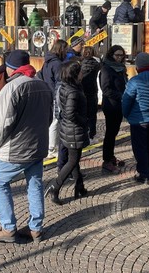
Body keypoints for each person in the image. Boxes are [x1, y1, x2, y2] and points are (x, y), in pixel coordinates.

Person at [0, 50, 53, 243]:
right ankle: (36, 228)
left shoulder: (11, 88)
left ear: (11, 68)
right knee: (35, 184)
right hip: (38, 146)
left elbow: (2, 123)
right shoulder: (43, 86)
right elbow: (49, 118)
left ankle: (8, 227)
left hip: (15, 149)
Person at [45, 60, 89, 205]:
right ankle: (55, 186)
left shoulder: (67, 86)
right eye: (81, 70)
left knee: (74, 159)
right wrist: (84, 121)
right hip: (73, 130)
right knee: (72, 161)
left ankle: (79, 186)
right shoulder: (73, 91)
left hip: (68, 129)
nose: (83, 72)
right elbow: (70, 113)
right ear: (75, 73)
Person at [122, 52, 149, 184]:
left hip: (139, 120)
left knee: (140, 147)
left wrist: (126, 114)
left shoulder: (134, 81)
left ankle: (144, 174)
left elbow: (126, 100)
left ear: (138, 66)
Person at [99, 45, 128, 173]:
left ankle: (110, 156)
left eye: (121, 55)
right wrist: (121, 96)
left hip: (119, 104)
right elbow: (106, 89)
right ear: (111, 55)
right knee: (110, 133)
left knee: (114, 132)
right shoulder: (106, 68)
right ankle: (107, 159)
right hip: (111, 105)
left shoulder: (121, 68)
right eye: (117, 55)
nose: (119, 58)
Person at [39, 39, 69, 159]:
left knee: (51, 121)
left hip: (47, 92)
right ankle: (51, 148)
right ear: (61, 49)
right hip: (54, 94)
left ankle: (49, 146)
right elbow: (59, 81)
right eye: (66, 49)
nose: (67, 51)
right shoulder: (57, 64)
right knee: (55, 121)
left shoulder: (47, 61)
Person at [81, 46, 101, 141]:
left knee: (82, 114)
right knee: (92, 115)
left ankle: (83, 134)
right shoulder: (96, 64)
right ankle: (92, 135)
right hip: (92, 90)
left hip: (82, 90)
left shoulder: (79, 63)